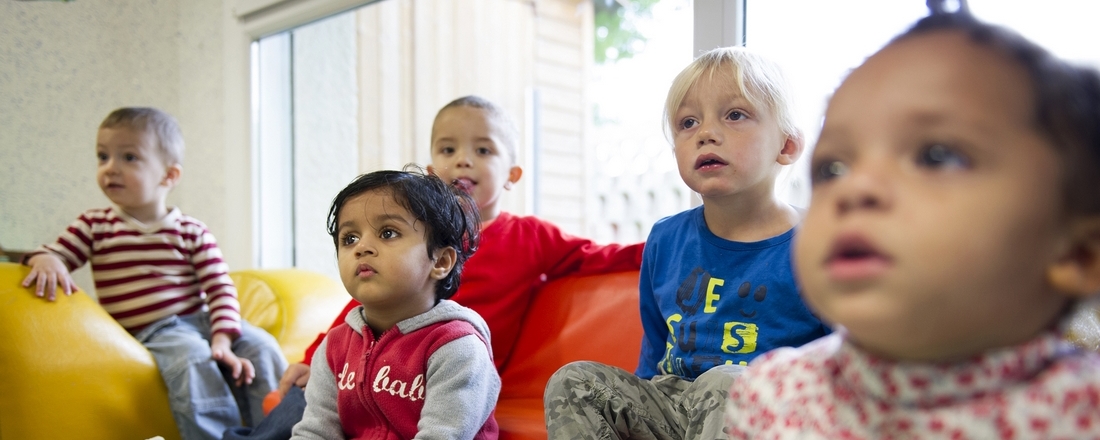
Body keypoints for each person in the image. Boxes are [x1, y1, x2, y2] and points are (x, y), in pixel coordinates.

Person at [726, 4, 1100, 438]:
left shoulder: (1081, 412)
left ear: (1078, 254)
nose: (855, 188)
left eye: (935, 156)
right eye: (832, 169)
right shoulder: (770, 396)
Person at [224, 95, 644, 440]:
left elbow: (600, 255)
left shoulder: (530, 236)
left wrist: (680, 239)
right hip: (372, 366)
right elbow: (362, 306)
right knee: (296, 413)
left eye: (482, 150)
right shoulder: (404, 232)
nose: (463, 161)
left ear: (512, 173)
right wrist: (315, 356)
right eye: (448, 149)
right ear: (429, 171)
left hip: (443, 372)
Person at [543, 47, 832, 440]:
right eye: (688, 122)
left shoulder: (818, 244)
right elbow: (655, 346)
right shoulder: (666, 238)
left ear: (786, 145)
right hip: (673, 404)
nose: (706, 133)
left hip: (768, 412)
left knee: (727, 381)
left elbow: (844, 363)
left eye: (734, 115)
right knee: (573, 381)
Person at [20, 107, 288, 440]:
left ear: (168, 176)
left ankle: (277, 431)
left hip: (201, 320)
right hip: (155, 331)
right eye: (102, 157)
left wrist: (222, 339)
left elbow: (220, 289)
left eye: (128, 157)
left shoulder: (191, 230)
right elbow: (57, 254)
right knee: (192, 360)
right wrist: (45, 258)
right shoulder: (94, 225)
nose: (110, 168)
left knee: (262, 346)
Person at [289, 168, 499, 439]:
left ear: (441, 261)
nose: (361, 247)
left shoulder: (456, 347)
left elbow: (443, 435)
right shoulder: (334, 348)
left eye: (387, 233)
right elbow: (315, 431)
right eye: (349, 238)